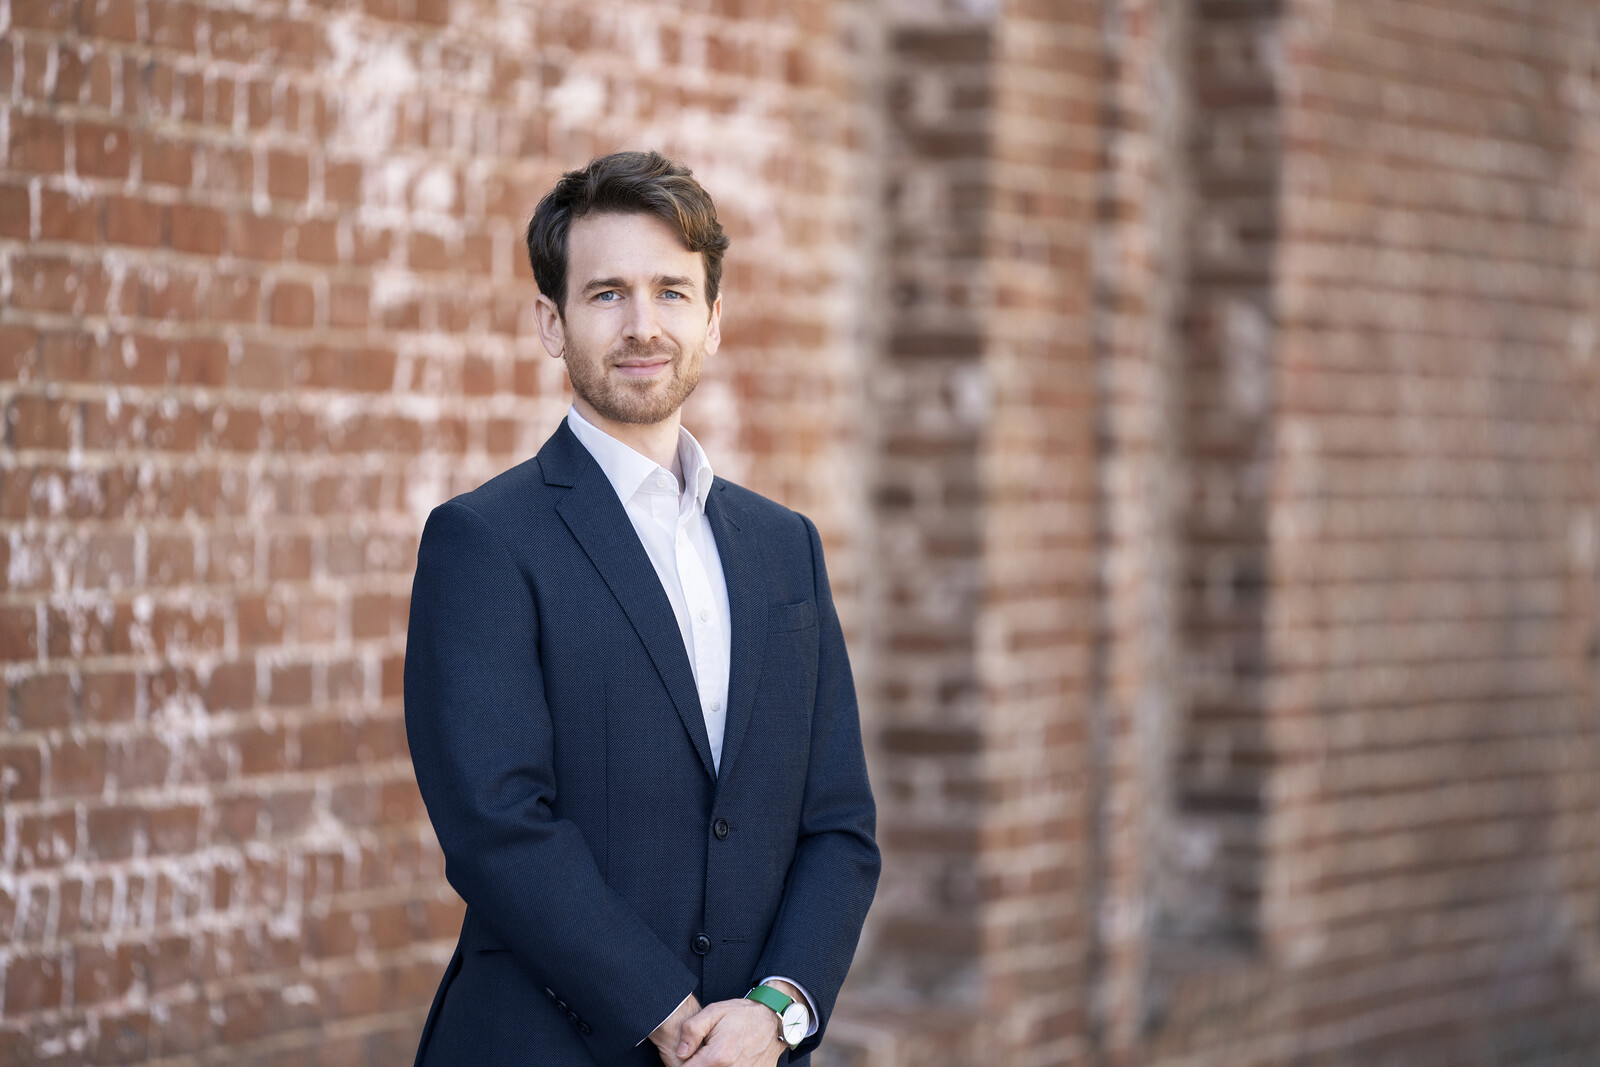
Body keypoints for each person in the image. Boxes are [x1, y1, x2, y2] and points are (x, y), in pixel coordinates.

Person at [403, 150, 880, 1067]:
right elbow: (497, 827)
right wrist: (670, 1014)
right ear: (552, 321)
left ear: (712, 319)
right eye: (607, 293)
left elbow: (838, 826)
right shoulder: (483, 542)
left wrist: (776, 1010)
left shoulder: (786, 547)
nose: (642, 325)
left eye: (671, 292)